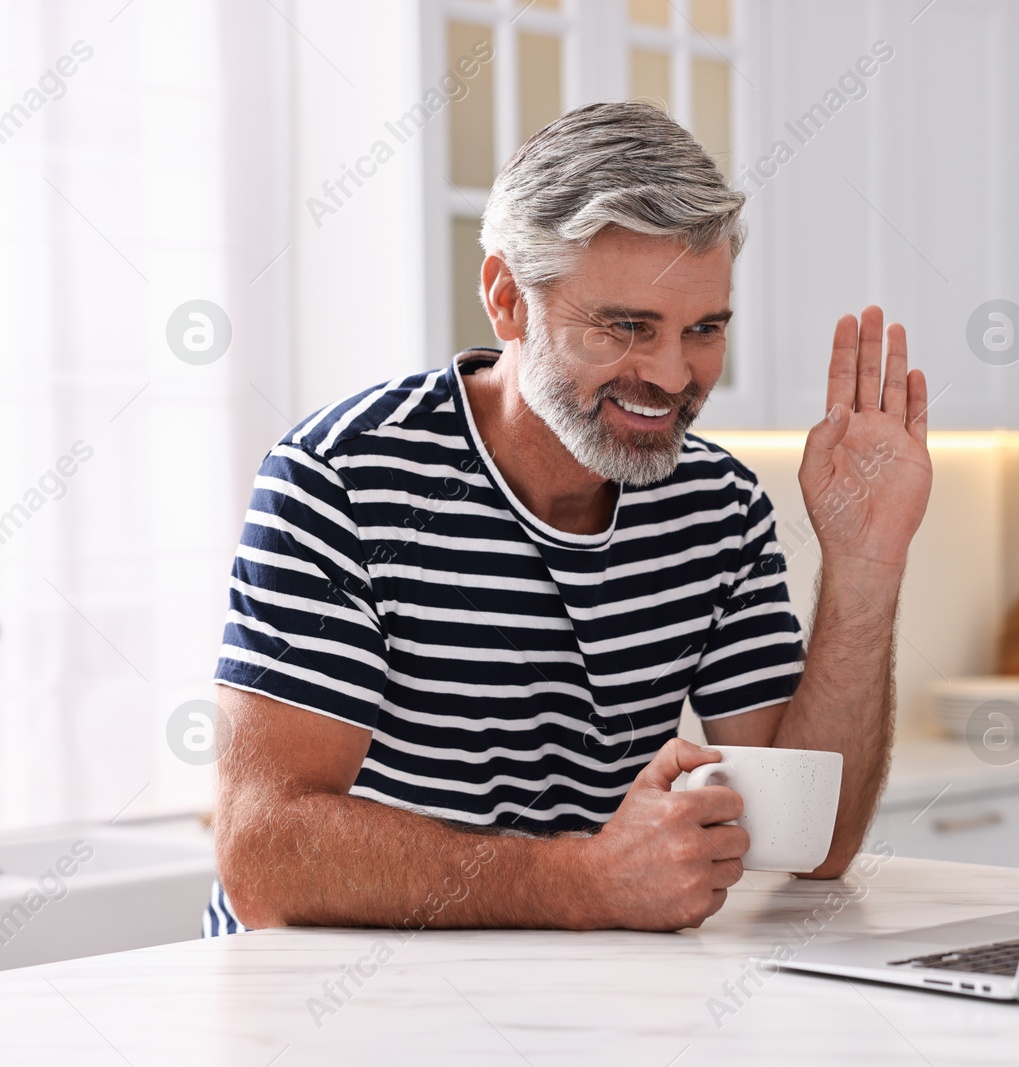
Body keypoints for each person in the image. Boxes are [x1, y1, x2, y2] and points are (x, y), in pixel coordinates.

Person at [206, 101, 932, 936]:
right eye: (626, 327)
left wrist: (867, 567)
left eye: (703, 329)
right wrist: (585, 882)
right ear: (508, 300)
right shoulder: (341, 480)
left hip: (568, 1001)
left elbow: (810, 842)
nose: (670, 373)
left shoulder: (717, 507)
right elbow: (267, 853)